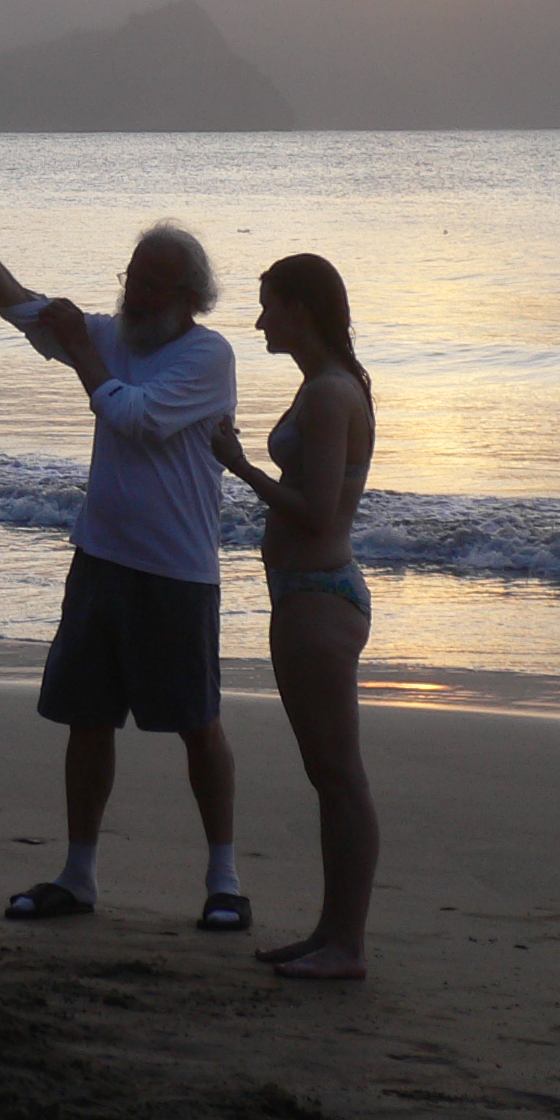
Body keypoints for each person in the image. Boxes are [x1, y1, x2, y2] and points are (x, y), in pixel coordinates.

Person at [0, 181, 249, 932]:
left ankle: (224, 878)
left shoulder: (208, 356)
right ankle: (78, 875)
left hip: (176, 570)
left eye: (152, 284)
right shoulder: (110, 336)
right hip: (100, 557)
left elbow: (135, 418)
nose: (134, 293)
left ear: (190, 297)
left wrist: (79, 351)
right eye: (131, 277)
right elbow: (16, 305)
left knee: (197, 723)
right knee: (87, 717)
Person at [209, 253, 379, 980]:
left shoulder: (331, 393)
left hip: (319, 596)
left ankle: (347, 945)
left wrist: (239, 465)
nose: (259, 322)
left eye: (268, 305)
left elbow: (314, 512)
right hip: (303, 592)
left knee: (339, 774)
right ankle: (330, 932)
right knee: (325, 773)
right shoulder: (322, 384)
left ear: (301, 309)